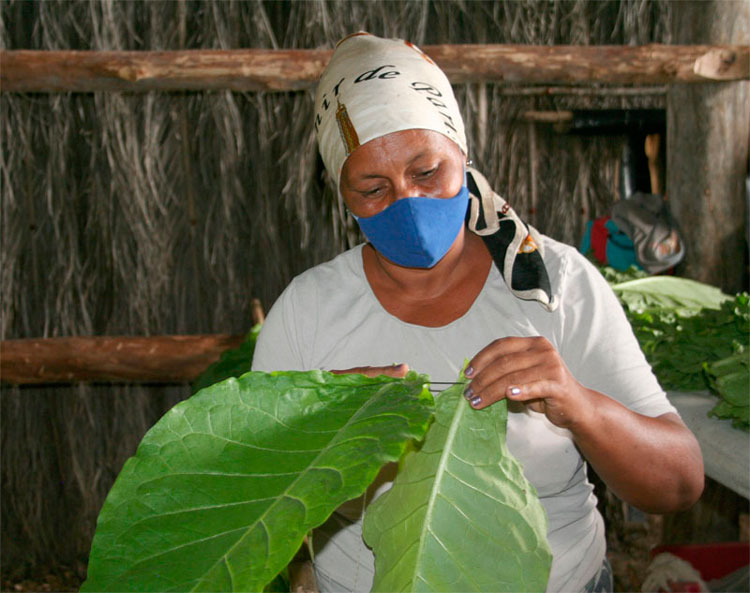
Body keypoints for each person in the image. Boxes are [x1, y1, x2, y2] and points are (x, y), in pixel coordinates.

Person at [251, 32, 704, 593]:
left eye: (426, 172)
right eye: (373, 188)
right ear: (342, 197)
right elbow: (253, 499)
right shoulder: (307, 312)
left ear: (462, 155)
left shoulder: (555, 284)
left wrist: (578, 405)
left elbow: (680, 484)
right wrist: (319, 427)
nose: (407, 203)